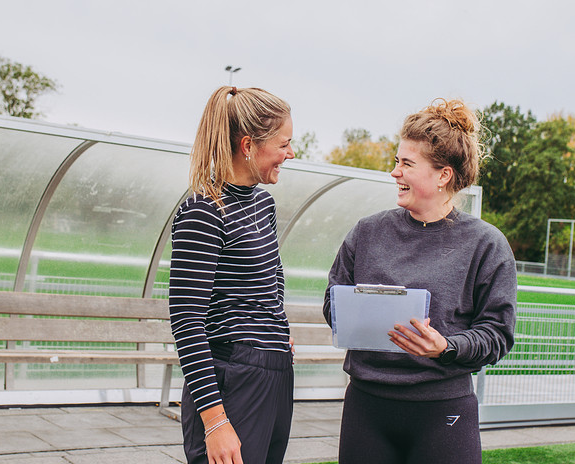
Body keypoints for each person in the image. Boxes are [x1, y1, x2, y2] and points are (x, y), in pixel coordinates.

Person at [323, 98, 517, 464]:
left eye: (406, 164)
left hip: (443, 411)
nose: (395, 172)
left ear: (443, 175)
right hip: (367, 406)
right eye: (397, 161)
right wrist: (361, 311)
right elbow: (332, 303)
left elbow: (497, 333)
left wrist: (445, 346)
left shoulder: (486, 244)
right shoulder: (367, 232)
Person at [169, 85, 296, 464]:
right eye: (284, 144)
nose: (291, 153)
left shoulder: (263, 203)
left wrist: (280, 333)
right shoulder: (202, 210)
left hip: (274, 372)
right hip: (233, 377)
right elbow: (186, 320)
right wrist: (215, 422)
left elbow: (274, 277)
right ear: (248, 146)